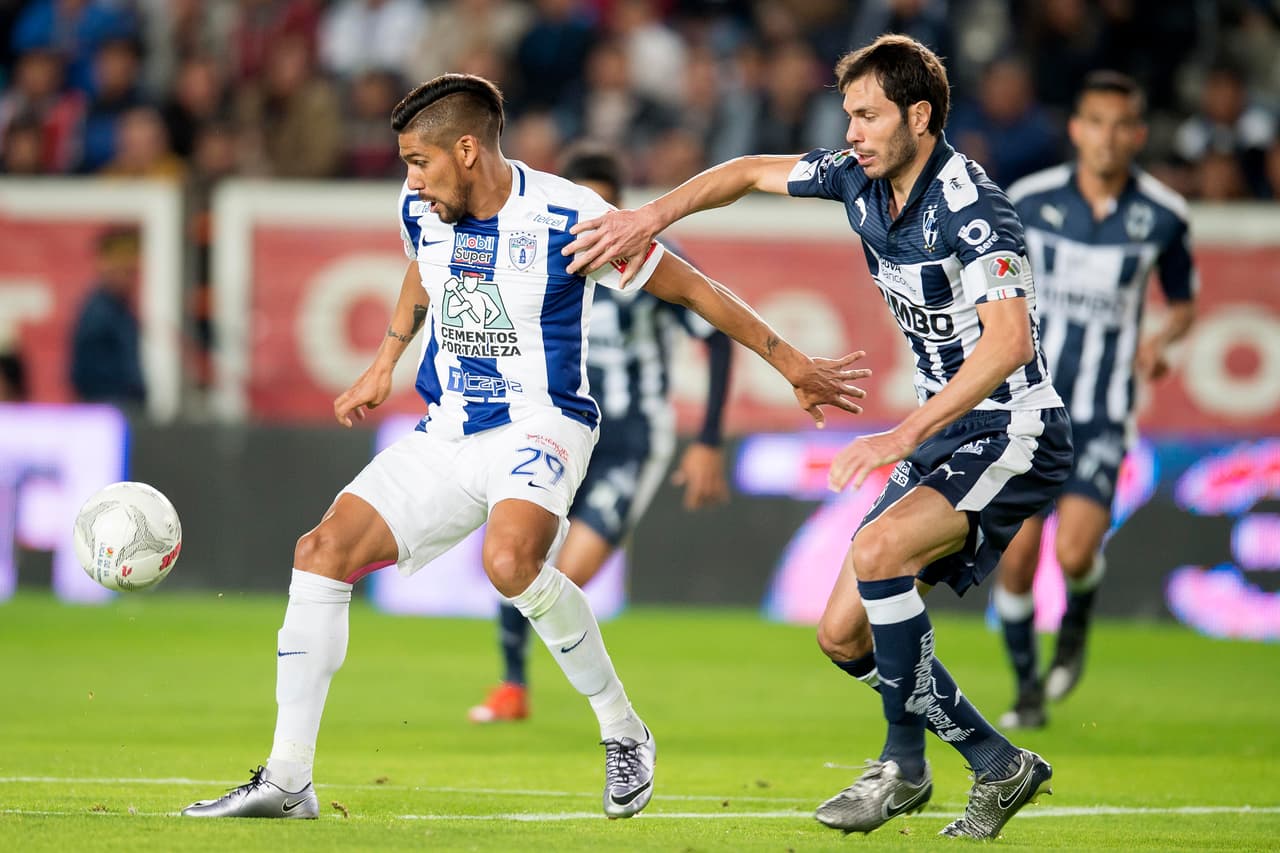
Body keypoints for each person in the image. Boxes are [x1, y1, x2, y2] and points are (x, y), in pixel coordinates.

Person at [181, 73, 867, 821]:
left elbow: (693, 290)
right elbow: (423, 267)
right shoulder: (422, 208)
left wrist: (790, 358)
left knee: (509, 562)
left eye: (421, 161)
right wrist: (386, 360)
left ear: (467, 150)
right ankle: (288, 779)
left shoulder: (569, 215)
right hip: (449, 427)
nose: (411, 180)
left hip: (544, 420)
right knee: (319, 551)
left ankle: (622, 728)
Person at [564, 35, 1074, 839]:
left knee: (878, 556)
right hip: (945, 432)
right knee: (842, 634)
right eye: (848, 115)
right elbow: (744, 172)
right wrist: (650, 217)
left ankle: (903, 766)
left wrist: (899, 434)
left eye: (868, 116)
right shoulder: (854, 180)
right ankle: (996, 760)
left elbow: (1010, 344)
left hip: (1011, 427)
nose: (853, 132)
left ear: (920, 115)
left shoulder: (975, 210)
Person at [469, 144, 733, 724]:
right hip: (554, 426)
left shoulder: (649, 255)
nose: (593, 218)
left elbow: (714, 334)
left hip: (630, 439)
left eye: (604, 205)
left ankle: (603, 708)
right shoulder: (542, 250)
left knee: (560, 574)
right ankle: (512, 687)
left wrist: (709, 438)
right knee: (521, 554)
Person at [994, 72, 1198, 729]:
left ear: (1137, 135)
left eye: (1122, 126)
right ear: (1077, 130)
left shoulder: (1163, 216)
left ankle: (1077, 615)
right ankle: (1028, 688)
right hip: (1030, 406)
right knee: (1018, 559)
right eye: (1096, 123)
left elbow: (1185, 302)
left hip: (1104, 412)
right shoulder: (1029, 201)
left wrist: (1163, 337)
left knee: (1074, 553)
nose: (1108, 139)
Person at [70, 226, 146, 408]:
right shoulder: (98, 313)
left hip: (122, 405)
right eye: (125, 271)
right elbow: (83, 373)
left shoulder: (120, 310)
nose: (130, 279)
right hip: (108, 406)